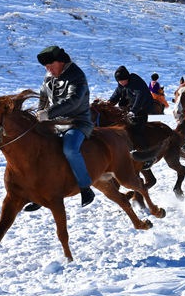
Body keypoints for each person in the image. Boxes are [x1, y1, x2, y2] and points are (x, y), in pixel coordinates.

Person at [34, 45, 95, 208]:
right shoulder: (49, 75)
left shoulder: (77, 76)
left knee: (70, 149)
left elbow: (73, 101)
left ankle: (85, 187)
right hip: (55, 122)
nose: (48, 70)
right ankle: (40, 191)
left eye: (50, 66)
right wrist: (40, 111)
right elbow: (43, 96)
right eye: (46, 67)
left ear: (60, 62)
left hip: (77, 122)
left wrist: (49, 113)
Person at [108, 65, 156, 163]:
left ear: (127, 78)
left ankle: (148, 156)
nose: (121, 83)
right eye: (119, 81)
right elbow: (116, 96)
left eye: (123, 81)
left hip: (142, 109)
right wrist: (107, 104)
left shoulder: (136, 82)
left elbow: (140, 98)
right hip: (129, 109)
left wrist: (133, 111)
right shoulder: (121, 84)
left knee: (137, 130)